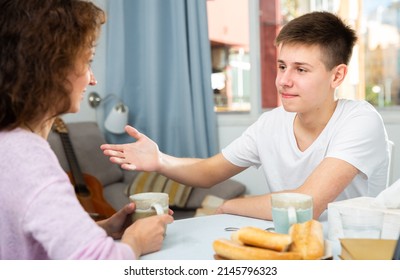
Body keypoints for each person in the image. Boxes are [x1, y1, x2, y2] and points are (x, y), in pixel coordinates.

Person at [100, 11, 389, 221]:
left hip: (349, 254)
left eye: (301, 69)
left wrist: (228, 206)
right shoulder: (271, 123)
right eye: (281, 66)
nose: (283, 81)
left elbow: (307, 204)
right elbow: (210, 171)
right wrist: (160, 160)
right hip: (289, 246)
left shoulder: (360, 120)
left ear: (336, 75)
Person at [0, 0, 173, 260]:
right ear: (53, 67)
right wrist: (135, 241)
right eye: (88, 61)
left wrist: (102, 229)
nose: (93, 79)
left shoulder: (8, 144)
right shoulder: (26, 156)